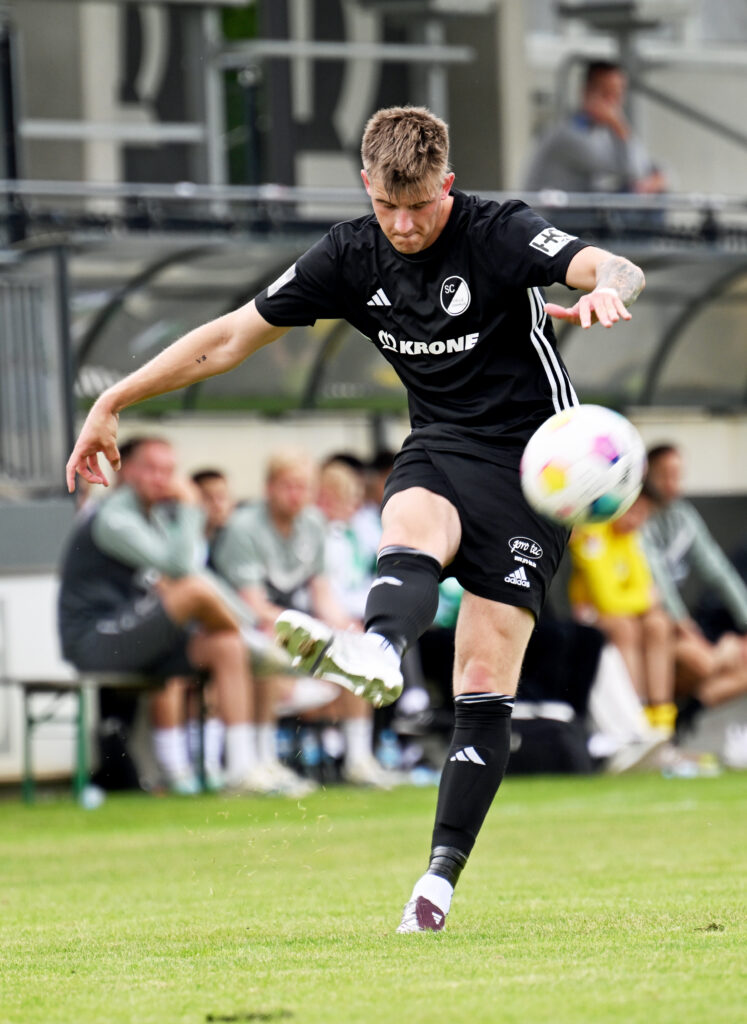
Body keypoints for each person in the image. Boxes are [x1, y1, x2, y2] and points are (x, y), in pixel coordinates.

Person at [66, 105, 646, 932]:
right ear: (366, 188)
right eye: (388, 207)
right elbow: (230, 337)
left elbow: (610, 265)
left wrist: (603, 296)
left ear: (447, 185)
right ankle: (376, 649)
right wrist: (114, 399)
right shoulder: (347, 254)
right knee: (407, 518)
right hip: (441, 446)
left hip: (532, 469)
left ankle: (438, 881)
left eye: (421, 206)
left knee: (484, 680)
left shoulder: (497, 232)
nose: (404, 226)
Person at [58, 437, 267, 794]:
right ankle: (266, 653)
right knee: (194, 593)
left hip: (138, 635)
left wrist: (250, 620)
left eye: (169, 470)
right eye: (152, 469)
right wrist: (190, 507)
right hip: (96, 640)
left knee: (226, 645)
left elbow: (196, 575)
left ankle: (244, 769)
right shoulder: (112, 517)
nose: (163, 479)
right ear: (125, 470)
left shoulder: (152, 515)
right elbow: (183, 569)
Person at [209, 450, 395, 788]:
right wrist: (311, 629)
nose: (296, 495)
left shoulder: (312, 524)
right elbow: (252, 605)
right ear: (269, 487)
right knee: (268, 646)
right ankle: (258, 761)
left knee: (353, 643)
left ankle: (358, 759)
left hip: (290, 624)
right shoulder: (243, 527)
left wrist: (345, 630)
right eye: (288, 486)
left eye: (303, 487)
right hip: (243, 627)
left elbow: (322, 593)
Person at [642, 444, 747, 735]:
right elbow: (657, 578)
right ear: (647, 475)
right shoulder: (636, 514)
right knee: (705, 661)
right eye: (665, 475)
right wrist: (686, 626)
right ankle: (658, 728)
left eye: (677, 475)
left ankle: (682, 721)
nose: (672, 483)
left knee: (735, 663)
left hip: (683, 626)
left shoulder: (683, 516)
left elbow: (719, 571)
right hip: (657, 621)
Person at [569, 489, 677, 734]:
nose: (636, 521)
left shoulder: (630, 538)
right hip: (588, 615)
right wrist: (641, 600)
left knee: (658, 624)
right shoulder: (592, 535)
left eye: (643, 515)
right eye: (632, 512)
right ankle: (634, 713)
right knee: (625, 627)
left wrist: (641, 601)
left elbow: (644, 586)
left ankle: (661, 715)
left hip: (622, 612)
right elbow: (606, 598)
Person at [524, 60, 667, 195]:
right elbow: (633, 171)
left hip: (579, 214)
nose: (613, 104)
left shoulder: (602, 132)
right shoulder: (567, 134)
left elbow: (646, 165)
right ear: (586, 92)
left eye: (617, 95)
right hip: (551, 216)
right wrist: (619, 124)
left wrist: (658, 177)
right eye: (606, 95)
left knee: (652, 194)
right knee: (632, 197)